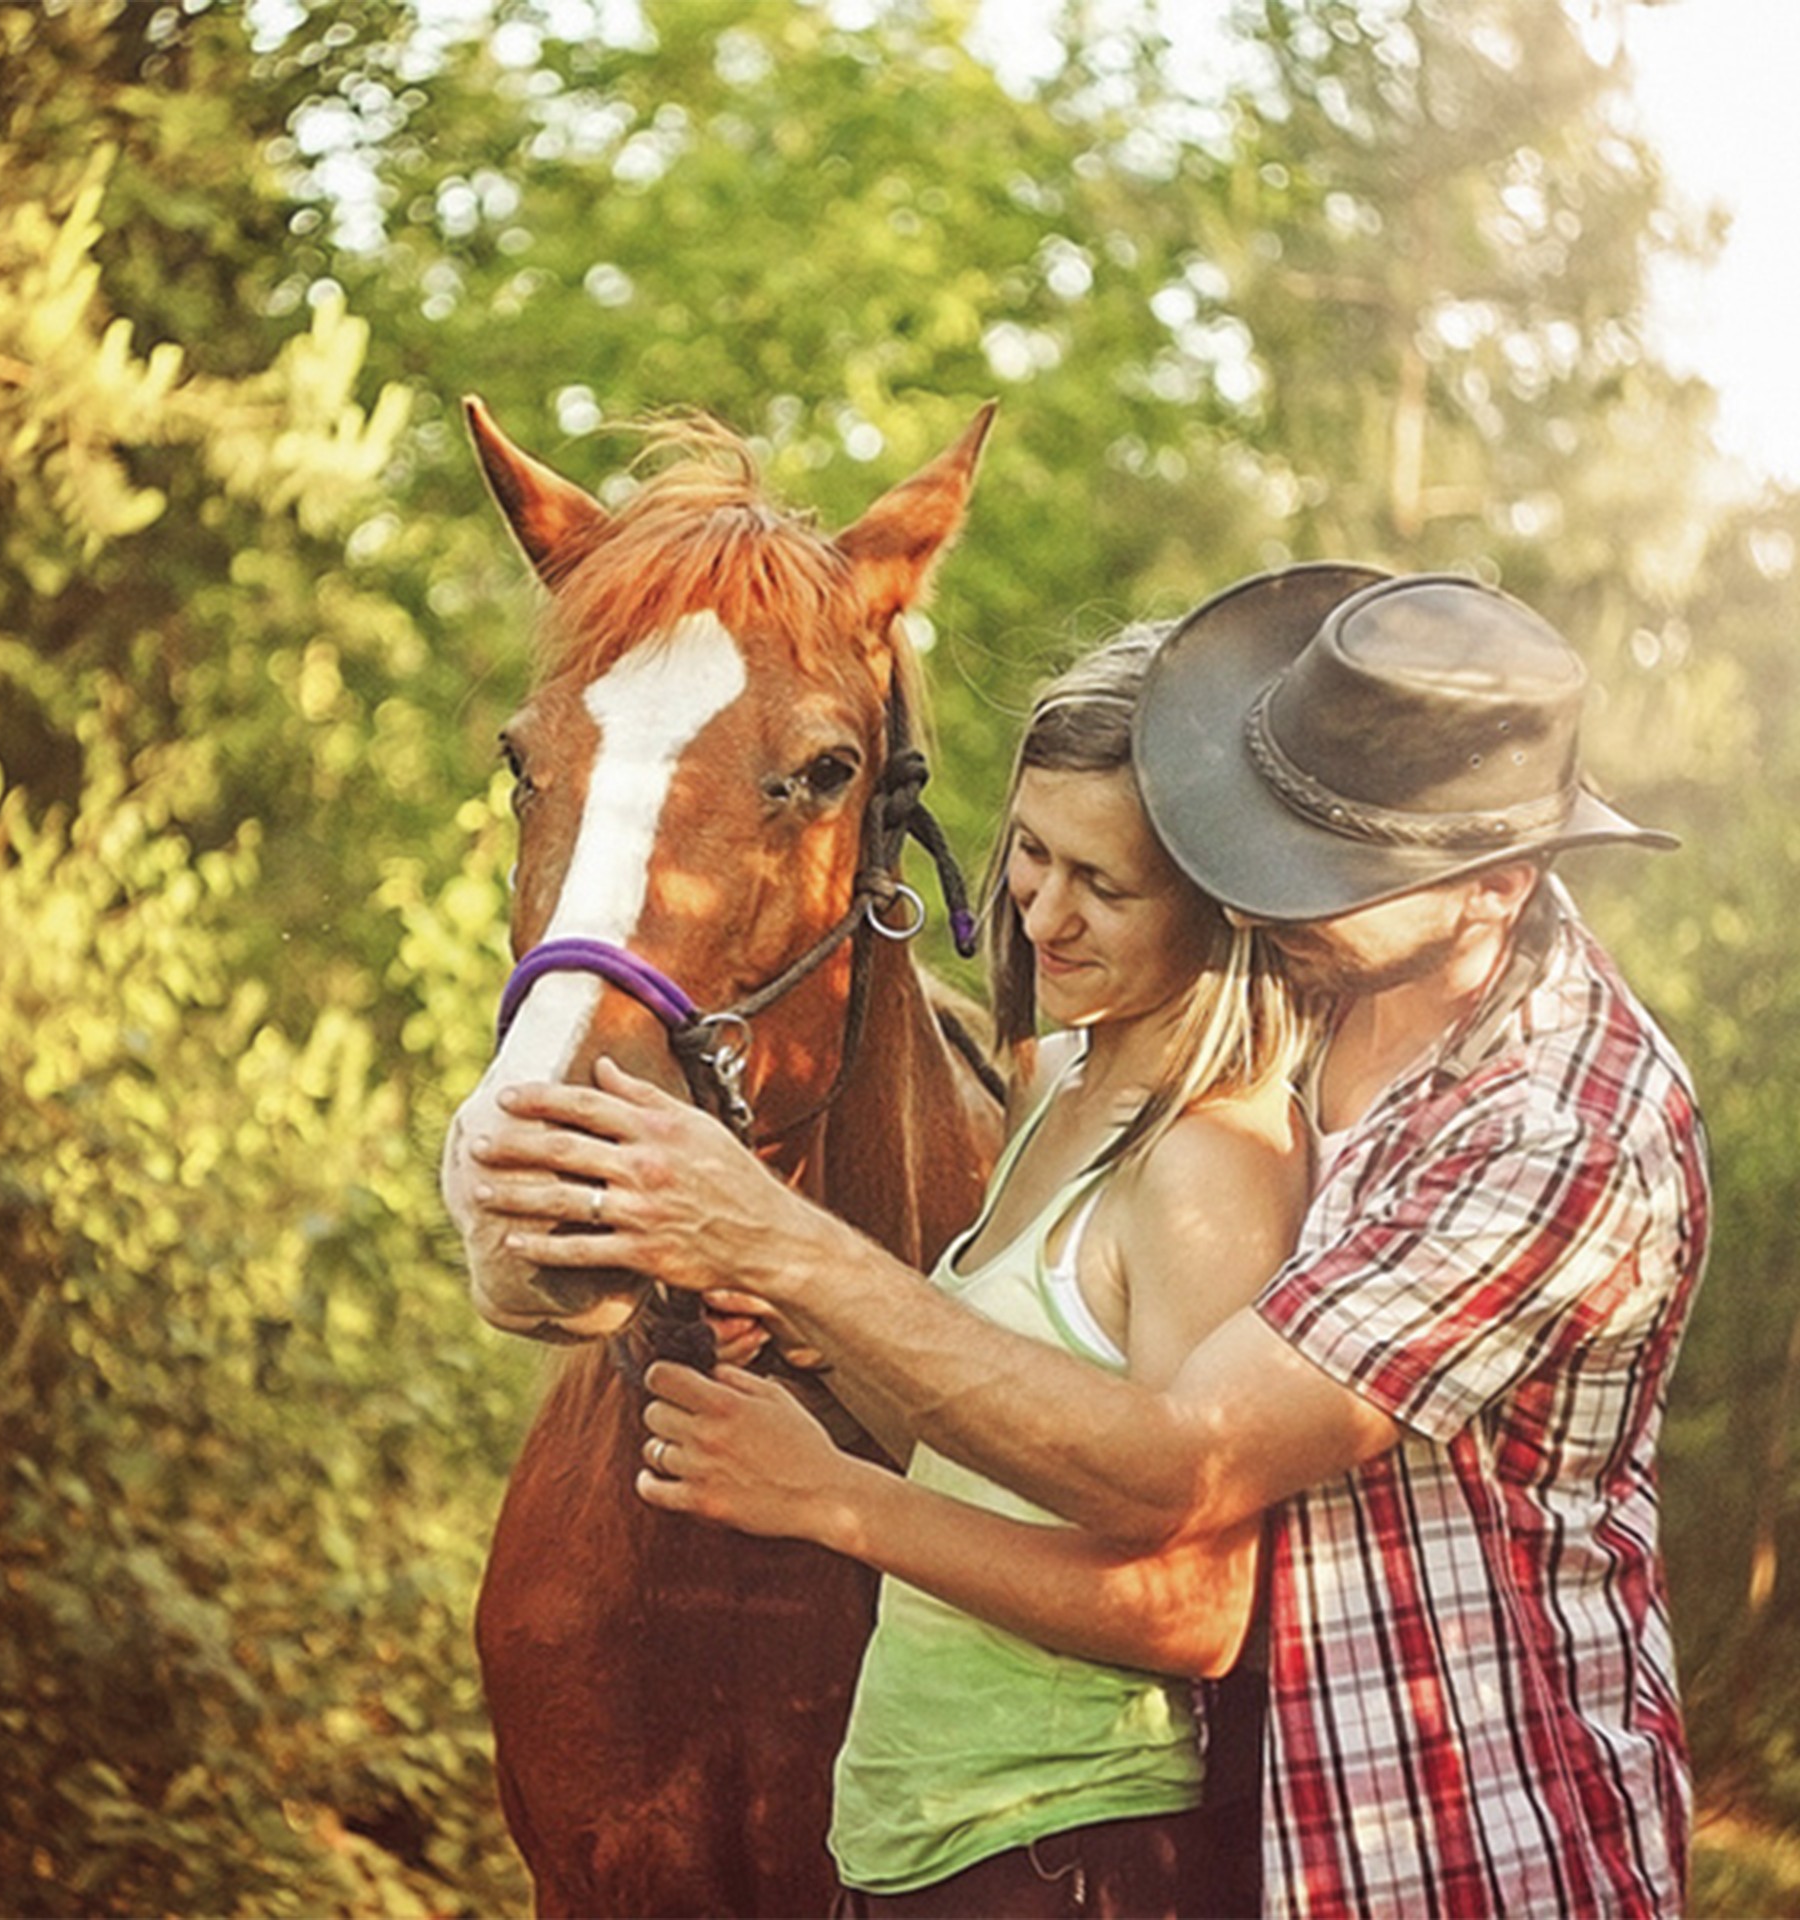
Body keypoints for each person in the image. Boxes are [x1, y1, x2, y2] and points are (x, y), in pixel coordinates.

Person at [475, 566, 1711, 1919]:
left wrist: (782, 1255)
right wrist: (821, 1335)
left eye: (1319, 868)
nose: (1256, 890)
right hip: (1259, 1814)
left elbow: (1182, 1472)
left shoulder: (1549, 1133)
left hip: (1448, 1823)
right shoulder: (1288, 1012)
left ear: (1495, 885)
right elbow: (1041, 1402)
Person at [483, 629, 1310, 1916]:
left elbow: (1191, 1614)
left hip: (1064, 1852)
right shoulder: (1054, 1087)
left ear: (1215, 896)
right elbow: (1014, 1444)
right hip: (926, 1841)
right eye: (1031, 854)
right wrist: (830, 1343)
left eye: (1108, 883)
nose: (1045, 912)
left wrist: (834, 1500)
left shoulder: (1216, 1155)